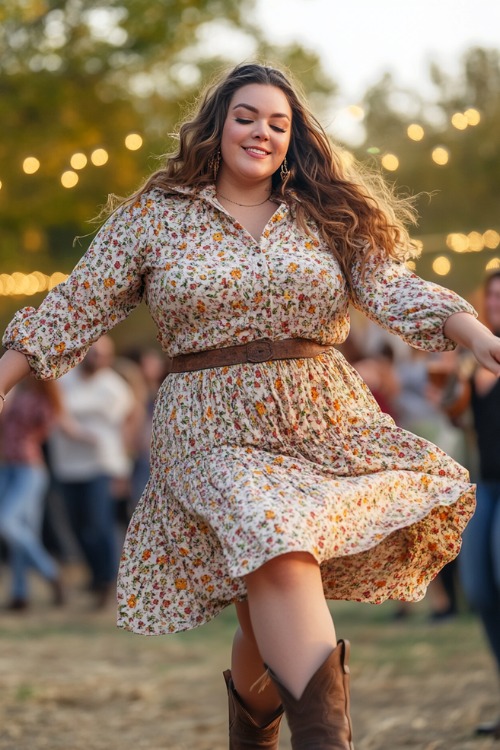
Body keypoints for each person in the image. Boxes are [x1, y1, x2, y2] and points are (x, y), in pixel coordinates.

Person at [0, 62, 498, 749]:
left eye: (277, 122)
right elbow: (74, 307)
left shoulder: (324, 214)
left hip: (320, 419)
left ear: (292, 139)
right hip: (209, 424)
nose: (260, 131)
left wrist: (471, 330)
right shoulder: (156, 217)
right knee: (279, 544)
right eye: (246, 116)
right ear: (217, 124)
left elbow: (391, 286)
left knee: (262, 608)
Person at [48, 336, 135, 608]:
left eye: (103, 354)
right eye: (94, 353)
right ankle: (97, 576)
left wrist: (124, 466)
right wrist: (76, 432)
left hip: (102, 465)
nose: (98, 358)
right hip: (68, 465)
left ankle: (108, 582)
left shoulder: (114, 387)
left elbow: (129, 422)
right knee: (77, 527)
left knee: (99, 525)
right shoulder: (64, 381)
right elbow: (55, 414)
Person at [452, 270, 500, 739]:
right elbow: (451, 409)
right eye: (492, 296)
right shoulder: (478, 359)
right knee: (482, 591)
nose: (497, 302)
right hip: (485, 483)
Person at [0, 378, 65, 610]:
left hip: (29, 469)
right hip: (6, 467)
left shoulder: (41, 398)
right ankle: (20, 593)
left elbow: (49, 426)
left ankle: (50, 571)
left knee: (6, 523)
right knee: (23, 530)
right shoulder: (11, 391)